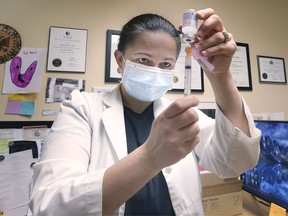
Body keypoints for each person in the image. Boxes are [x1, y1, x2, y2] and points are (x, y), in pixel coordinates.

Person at [29, 8, 261, 216]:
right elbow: (49, 206)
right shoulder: (81, 109)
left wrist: (221, 76)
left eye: (166, 65)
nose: (155, 71)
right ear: (120, 60)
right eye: (143, 60)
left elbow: (235, 162)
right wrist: (151, 156)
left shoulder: (178, 114)